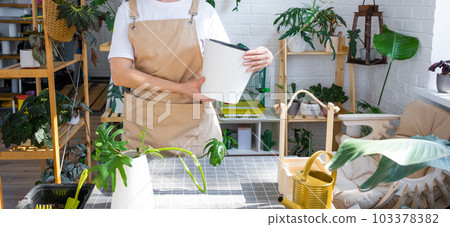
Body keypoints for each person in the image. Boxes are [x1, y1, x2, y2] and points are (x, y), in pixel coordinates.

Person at [108, 0, 273, 156]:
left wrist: (258, 60)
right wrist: (181, 88)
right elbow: (120, 75)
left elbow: (224, 82)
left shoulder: (203, 11)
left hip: (196, 129)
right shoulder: (129, 11)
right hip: (143, 127)